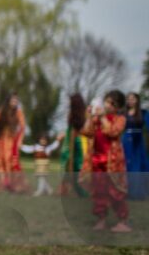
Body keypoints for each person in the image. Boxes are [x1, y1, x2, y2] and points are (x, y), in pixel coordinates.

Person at [80, 91, 130, 232]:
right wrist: (89, 117)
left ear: (118, 107)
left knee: (115, 192)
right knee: (99, 192)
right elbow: (86, 131)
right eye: (106, 101)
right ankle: (101, 219)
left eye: (110, 103)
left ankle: (123, 221)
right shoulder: (97, 119)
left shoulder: (120, 119)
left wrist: (102, 118)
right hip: (96, 161)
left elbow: (112, 132)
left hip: (112, 163)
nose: (107, 104)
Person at [0, 93, 28, 193]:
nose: (15, 102)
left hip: (11, 141)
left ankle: (15, 185)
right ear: (8, 101)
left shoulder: (18, 112)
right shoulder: (2, 111)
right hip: (0, 140)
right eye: (13, 100)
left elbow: (23, 127)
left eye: (16, 100)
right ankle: (1, 185)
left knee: (11, 161)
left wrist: (20, 140)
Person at [60, 93, 88, 198]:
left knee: (78, 165)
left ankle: (80, 190)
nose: (69, 104)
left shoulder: (85, 115)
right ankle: (69, 189)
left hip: (79, 142)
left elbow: (84, 130)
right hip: (70, 140)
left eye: (71, 103)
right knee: (68, 164)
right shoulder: (71, 114)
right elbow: (70, 129)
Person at [122, 92, 148, 200]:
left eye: (132, 98)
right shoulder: (123, 113)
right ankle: (127, 192)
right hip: (127, 140)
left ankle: (139, 192)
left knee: (140, 165)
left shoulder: (143, 112)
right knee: (127, 165)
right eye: (128, 98)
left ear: (137, 100)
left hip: (138, 141)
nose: (130, 100)